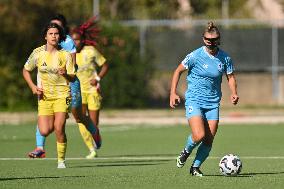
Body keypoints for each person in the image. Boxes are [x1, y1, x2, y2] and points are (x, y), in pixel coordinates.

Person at [170, 21, 239, 177]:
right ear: (203, 39)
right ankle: (186, 150)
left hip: (213, 104)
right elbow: (177, 71)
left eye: (214, 40)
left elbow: (230, 76)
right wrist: (173, 93)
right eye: (208, 40)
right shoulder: (195, 56)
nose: (211, 43)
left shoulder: (225, 58)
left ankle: (195, 167)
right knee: (199, 135)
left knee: (208, 140)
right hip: (194, 101)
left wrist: (234, 92)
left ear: (219, 40)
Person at [28, 14, 101, 159]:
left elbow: (73, 67)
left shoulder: (68, 42)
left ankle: (94, 131)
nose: (54, 33)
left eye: (57, 28)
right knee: (44, 114)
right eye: (51, 28)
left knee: (79, 117)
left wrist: (63, 72)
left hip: (70, 84)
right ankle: (39, 147)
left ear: (63, 29)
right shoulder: (44, 45)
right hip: (48, 87)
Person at [23, 23, 75, 168]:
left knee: (59, 127)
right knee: (44, 130)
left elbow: (73, 78)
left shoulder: (65, 54)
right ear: (45, 36)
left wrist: (66, 75)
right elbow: (26, 70)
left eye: (56, 34)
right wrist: (33, 86)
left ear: (60, 37)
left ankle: (61, 161)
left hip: (62, 94)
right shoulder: (38, 53)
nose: (54, 36)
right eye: (51, 34)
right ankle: (61, 116)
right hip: (44, 97)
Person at [70, 17, 108, 146]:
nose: (75, 42)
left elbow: (105, 65)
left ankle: (95, 137)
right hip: (78, 91)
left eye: (77, 39)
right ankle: (90, 147)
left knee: (93, 122)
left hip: (92, 91)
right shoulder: (68, 54)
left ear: (82, 40)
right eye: (73, 39)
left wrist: (97, 78)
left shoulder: (91, 51)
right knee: (80, 119)